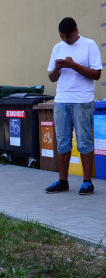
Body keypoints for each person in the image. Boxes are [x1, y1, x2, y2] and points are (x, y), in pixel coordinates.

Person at [46, 17, 102, 195]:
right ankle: (63, 181)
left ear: (76, 30)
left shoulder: (89, 45)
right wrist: (57, 68)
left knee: (84, 141)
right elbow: (52, 78)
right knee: (63, 141)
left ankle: (87, 182)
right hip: (61, 100)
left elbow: (96, 74)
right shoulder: (57, 48)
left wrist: (73, 65)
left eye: (67, 37)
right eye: (62, 37)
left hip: (82, 100)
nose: (65, 40)